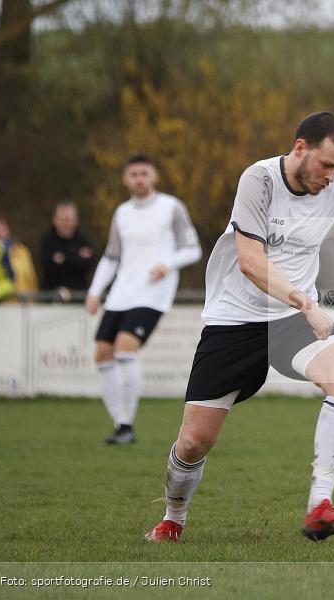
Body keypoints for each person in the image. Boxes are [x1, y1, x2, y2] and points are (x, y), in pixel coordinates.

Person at [144, 112, 334, 543]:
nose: (332, 176)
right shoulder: (259, 180)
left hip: (291, 321)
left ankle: (320, 505)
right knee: (192, 443)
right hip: (235, 320)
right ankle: (174, 516)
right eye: (326, 164)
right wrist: (306, 302)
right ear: (300, 148)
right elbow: (250, 262)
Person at [86, 154, 202, 445]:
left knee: (125, 349)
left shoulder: (171, 207)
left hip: (153, 293)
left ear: (155, 176)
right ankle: (121, 423)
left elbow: (193, 249)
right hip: (122, 292)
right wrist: (95, 291)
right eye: (133, 174)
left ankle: (125, 425)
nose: (139, 178)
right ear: (125, 179)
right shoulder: (121, 213)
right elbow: (112, 256)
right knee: (102, 353)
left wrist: (168, 263)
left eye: (144, 173)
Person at [40, 202, 95, 298]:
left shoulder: (84, 240)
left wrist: (63, 258)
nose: (65, 223)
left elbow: (88, 265)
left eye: (68, 220)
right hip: (50, 299)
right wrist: (76, 257)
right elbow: (47, 266)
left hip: (79, 298)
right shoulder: (47, 241)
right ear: (54, 220)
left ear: (76, 221)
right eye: (62, 219)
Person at [0, 216, 39, 296]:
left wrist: (34, 301)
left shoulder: (22, 251)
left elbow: (32, 279)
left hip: (24, 303)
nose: (0, 232)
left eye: (2, 228)